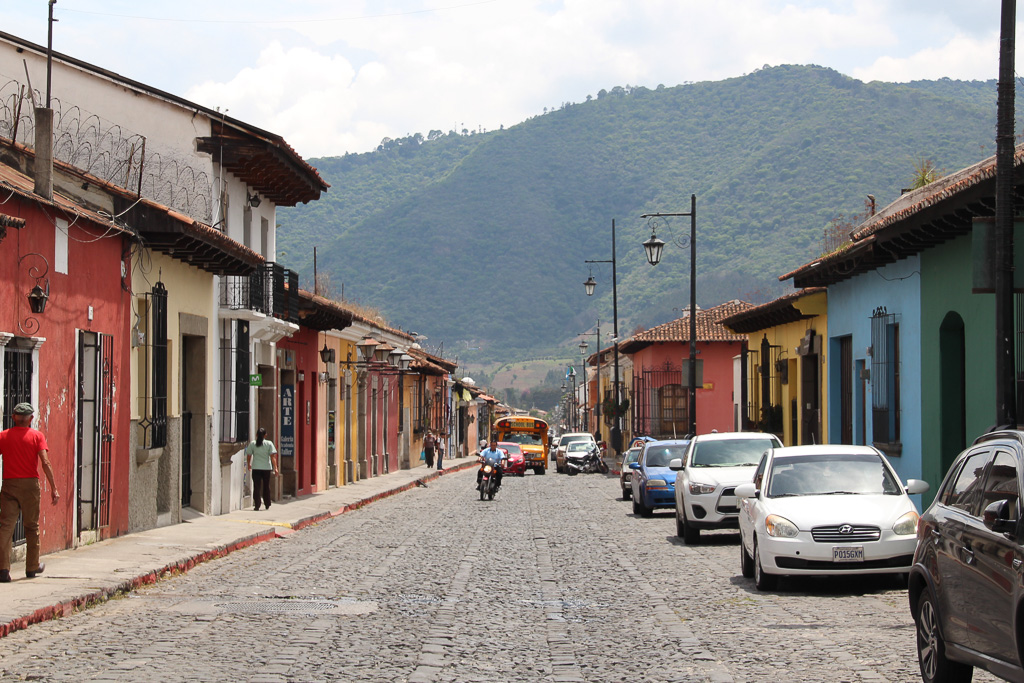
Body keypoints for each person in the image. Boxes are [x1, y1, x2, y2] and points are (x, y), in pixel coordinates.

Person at [0, 403, 59, 583]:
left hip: (9, 484)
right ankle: (32, 567)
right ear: (31, 419)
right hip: (30, 485)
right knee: (31, 527)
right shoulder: (37, 436)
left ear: (13, 418)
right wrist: (54, 488)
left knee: (6, 527)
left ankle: (3, 569)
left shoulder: (3, 436)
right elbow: (45, 462)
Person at [245, 427, 279, 512]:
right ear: (265, 435)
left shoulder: (253, 444)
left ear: (256, 435)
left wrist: (249, 464)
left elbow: (249, 455)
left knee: (257, 486)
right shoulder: (269, 444)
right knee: (266, 486)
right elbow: (272, 457)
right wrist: (276, 468)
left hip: (256, 468)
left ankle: (257, 505)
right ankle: (267, 503)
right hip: (266, 468)